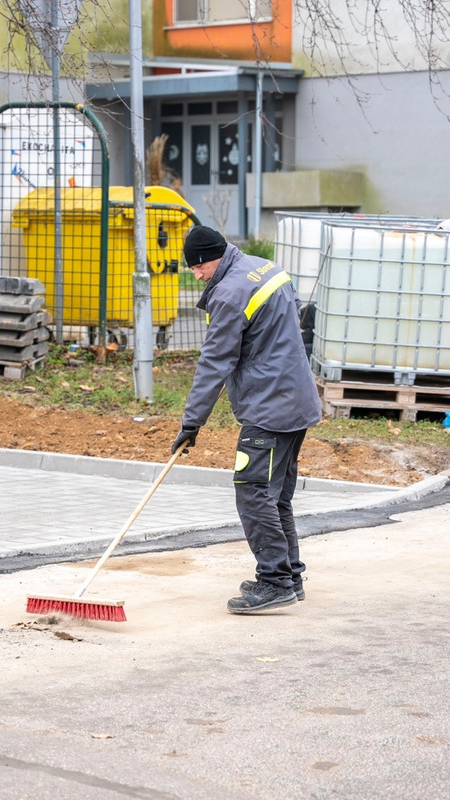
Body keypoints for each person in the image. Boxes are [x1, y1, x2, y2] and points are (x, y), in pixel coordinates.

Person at [172, 225, 322, 614]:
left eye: (197, 268)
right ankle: (290, 575)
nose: (197, 275)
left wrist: (192, 423)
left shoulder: (229, 293)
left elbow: (214, 362)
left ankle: (273, 582)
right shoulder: (267, 269)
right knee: (277, 496)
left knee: (253, 492)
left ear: (211, 259)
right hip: (297, 400)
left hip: (270, 410)